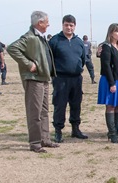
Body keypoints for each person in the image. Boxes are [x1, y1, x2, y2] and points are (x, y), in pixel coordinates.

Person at [7, 11, 59, 153]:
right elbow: (12, 48)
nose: (48, 24)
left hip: (43, 78)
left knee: (44, 111)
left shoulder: (40, 37)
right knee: (34, 112)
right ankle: (35, 142)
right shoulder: (30, 37)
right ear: (39, 23)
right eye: (46, 21)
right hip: (34, 79)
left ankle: (45, 139)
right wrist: (28, 64)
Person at [49, 14, 88, 143]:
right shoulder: (55, 41)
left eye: (71, 25)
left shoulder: (79, 42)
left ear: (75, 26)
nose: (69, 27)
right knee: (60, 105)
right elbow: (49, 60)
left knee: (76, 104)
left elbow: (82, 59)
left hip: (76, 78)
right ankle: (58, 131)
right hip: (61, 79)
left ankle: (75, 129)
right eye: (66, 25)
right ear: (62, 25)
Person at [97, 23, 118, 143]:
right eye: (117, 31)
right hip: (110, 79)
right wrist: (112, 83)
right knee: (110, 105)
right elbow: (106, 66)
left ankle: (114, 131)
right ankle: (112, 133)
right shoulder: (106, 46)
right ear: (111, 33)